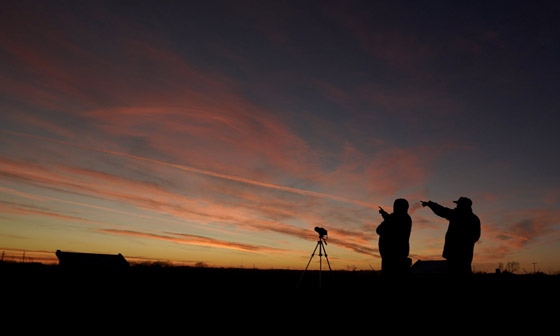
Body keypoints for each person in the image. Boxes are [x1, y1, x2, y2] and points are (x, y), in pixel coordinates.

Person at [421, 197, 481, 276]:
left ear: (463, 206)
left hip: (455, 254)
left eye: (458, 205)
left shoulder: (457, 215)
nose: (456, 206)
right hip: (465, 255)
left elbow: (442, 211)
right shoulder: (474, 218)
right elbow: (476, 236)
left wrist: (430, 204)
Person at [376, 198, 412, 276]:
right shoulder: (403, 218)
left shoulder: (400, 218)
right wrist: (385, 216)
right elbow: (381, 228)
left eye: (396, 206)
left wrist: (386, 217)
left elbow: (380, 229)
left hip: (393, 256)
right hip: (391, 255)